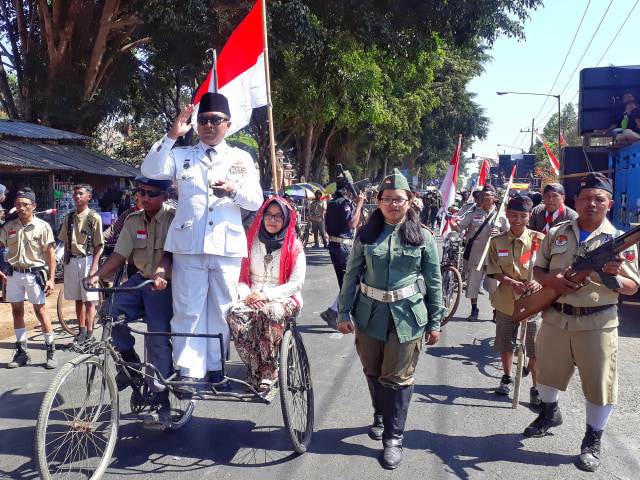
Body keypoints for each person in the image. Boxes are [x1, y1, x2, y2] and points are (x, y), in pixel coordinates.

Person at [141, 92, 263, 392]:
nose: (209, 125)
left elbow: (255, 200)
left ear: (228, 124)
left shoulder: (240, 158)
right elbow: (150, 170)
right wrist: (172, 135)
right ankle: (189, 371)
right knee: (187, 309)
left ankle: (215, 368)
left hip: (226, 247)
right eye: (203, 120)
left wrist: (232, 191)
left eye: (215, 120)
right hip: (189, 244)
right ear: (196, 124)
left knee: (223, 310)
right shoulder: (181, 155)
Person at [523, 173, 640, 472]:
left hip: (598, 322)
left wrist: (608, 273)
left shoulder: (619, 241)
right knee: (546, 376)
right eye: (586, 197)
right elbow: (539, 271)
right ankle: (550, 413)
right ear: (576, 201)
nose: (592, 203)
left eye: (599, 199)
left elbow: (631, 287)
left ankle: (592, 440)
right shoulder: (556, 232)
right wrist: (554, 282)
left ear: (609, 204)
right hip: (556, 317)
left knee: (600, 385)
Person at [337, 169, 444, 469]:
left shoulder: (422, 236)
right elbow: (352, 274)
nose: (393, 204)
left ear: (410, 201)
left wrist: (435, 321)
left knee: (398, 377)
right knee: (372, 370)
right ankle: (381, 414)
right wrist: (343, 311)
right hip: (369, 314)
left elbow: (434, 281)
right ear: (378, 202)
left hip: (407, 316)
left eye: (399, 199)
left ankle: (393, 438)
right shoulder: (366, 234)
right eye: (387, 199)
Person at [87, 175, 175, 427]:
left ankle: (162, 400)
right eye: (142, 192)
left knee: (157, 339)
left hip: (165, 285)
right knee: (108, 313)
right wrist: (95, 276)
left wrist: (160, 273)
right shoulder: (133, 219)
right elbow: (119, 254)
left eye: (152, 193)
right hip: (140, 281)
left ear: (164, 196)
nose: (145, 197)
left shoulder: (173, 218)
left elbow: (171, 254)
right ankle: (132, 365)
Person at [229, 197, 305, 391]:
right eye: (269, 215)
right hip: (251, 295)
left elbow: (297, 283)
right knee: (235, 314)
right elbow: (240, 277)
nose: (273, 219)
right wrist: (247, 296)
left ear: (286, 219)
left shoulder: (294, 246)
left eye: (278, 216)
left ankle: (269, 370)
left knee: (270, 313)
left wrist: (267, 295)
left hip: (283, 298)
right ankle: (253, 369)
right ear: (262, 217)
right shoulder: (249, 243)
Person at [486, 195, 545, 403]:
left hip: (533, 301)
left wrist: (539, 282)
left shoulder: (541, 241)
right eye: (513, 215)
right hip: (506, 300)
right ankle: (507, 377)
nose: (518, 219)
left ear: (529, 216)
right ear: (507, 215)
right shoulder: (496, 242)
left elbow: (548, 270)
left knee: (533, 345)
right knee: (505, 340)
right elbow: (493, 270)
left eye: (522, 215)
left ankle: (537, 388)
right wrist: (510, 282)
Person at [0, 188, 57, 369]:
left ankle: (51, 352)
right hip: (13, 275)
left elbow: (50, 255)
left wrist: (51, 279)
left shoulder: (42, 227)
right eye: (18, 204)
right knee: (17, 312)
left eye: (25, 204)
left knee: (40, 312)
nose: (21, 207)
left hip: (35, 275)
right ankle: (22, 352)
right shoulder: (9, 226)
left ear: (33, 206)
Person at [451, 184, 508, 320]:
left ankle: (496, 311)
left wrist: (498, 232)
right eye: (482, 195)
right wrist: (449, 219)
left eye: (487, 195)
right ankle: (474, 309)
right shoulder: (473, 215)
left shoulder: (501, 216)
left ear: (494, 198)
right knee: (473, 284)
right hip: (476, 255)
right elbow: (458, 228)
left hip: (494, 257)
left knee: (495, 286)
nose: (484, 198)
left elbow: (509, 234)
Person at [58, 184, 104, 343]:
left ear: (89, 197)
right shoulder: (69, 217)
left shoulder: (94, 218)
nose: (77, 197)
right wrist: (65, 263)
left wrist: (94, 269)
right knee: (78, 298)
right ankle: (81, 330)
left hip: (88, 259)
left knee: (89, 299)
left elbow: (99, 245)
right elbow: (65, 242)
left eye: (81, 194)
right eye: (75, 194)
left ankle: (90, 332)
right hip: (72, 260)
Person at [320, 174, 365, 328]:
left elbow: (326, 227)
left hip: (335, 245)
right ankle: (332, 312)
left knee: (348, 283)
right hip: (342, 247)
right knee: (350, 284)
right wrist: (359, 205)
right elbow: (352, 224)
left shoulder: (332, 203)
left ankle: (336, 312)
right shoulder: (345, 204)